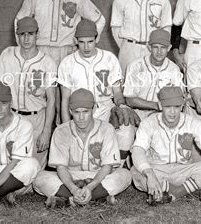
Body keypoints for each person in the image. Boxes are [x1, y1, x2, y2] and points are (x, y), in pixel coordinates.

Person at [15, 0, 105, 123]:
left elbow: (99, 20)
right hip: (41, 51)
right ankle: (42, 134)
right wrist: (25, 48)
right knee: (41, 94)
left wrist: (84, 43)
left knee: (67, 95)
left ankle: (64, 131)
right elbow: (19, 21)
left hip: (68, 51)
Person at [0, 17, 57, 170]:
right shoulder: (8, 54)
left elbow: (51, 100)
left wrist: (46, 130)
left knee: (33, 168)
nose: (26, 38)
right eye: (22, 34)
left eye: (30, 34)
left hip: (37, 118)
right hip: (11, 116)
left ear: (37, 34)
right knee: (7, 162)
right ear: (17, 35)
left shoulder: (47, 62)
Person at [58, 19, 140, 165]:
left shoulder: (109, 58)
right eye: (81, 42)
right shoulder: (67, 63)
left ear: (97, 38)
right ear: (75, 40)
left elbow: (117, 92)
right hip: (80, 113)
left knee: (127, 132)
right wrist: (66, 127)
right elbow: (65, 99)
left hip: (105, 109)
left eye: (90, 41)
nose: (86, 46)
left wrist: (121, 105)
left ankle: (117, 167)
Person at [33, 89, 132, 208]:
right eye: (76, 112)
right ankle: (96, 197)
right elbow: (61, 167)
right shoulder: (61, 131)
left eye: (85, 112)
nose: (81, 117)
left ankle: (70, 199)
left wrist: (91, 186)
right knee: (39, 179)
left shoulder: (106, 129)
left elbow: (107, 166)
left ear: (94, 109)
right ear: (70, 111)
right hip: (70, 177)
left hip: (97, 175)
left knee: (125, 175)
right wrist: (73, 188)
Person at [131, 86, 201, 205]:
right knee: (135, 171)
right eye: (168, 107)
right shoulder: (148, 123)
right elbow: (138, 150)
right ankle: (184, 188)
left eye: (177, 106)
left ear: (182, 105)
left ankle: (173, 193)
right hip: (157, 169)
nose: (172, 112)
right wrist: (150, 175)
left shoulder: (192, 122)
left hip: (184, 169)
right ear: (160, 105)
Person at [111, 0, 172, 75]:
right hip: (129, 49)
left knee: (153, 86)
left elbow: (166, 29)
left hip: (153, 49)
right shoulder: (120, 0)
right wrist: (127, 46)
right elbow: (115, 29)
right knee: (128, 87)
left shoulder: (162, 0)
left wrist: (157, 48)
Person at [124, 28, 183, 121]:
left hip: (160, 115)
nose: (159, 52)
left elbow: (177, 100)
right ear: (149, 47)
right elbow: (129, 99)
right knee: (125, 133)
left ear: (169, 48)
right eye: (155, 47)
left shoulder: (174, 70)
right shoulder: (135, 66)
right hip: (135, 112)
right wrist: (155, 105)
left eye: (163, 47)